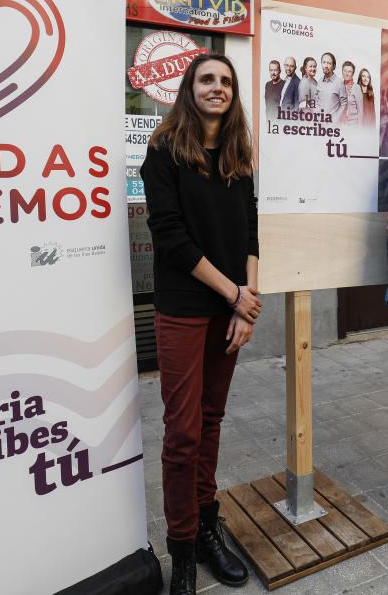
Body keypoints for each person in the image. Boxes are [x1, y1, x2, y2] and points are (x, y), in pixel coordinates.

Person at [141, 53, 261, 595]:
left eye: (226, 82)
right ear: (188, 89)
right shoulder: (164, 152)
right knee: (183, 433)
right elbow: (171, 237)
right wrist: (235, 294)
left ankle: (208, 525)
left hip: (230, 307)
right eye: (207, 79)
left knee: (211, 420)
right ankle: (182, 550)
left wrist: (247, 299)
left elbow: (250, 230)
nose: (218, 88)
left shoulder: (237, 154)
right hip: (185, 308)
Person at [341, 61, 362, 126]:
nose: (346, 73)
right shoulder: (339, 86)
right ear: (342, 72)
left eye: (349, 71)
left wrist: (360, 129)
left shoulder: (356, 88)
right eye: (345, 71)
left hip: (353, 125)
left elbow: (360, 110)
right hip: (340, 125)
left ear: (353, 74)